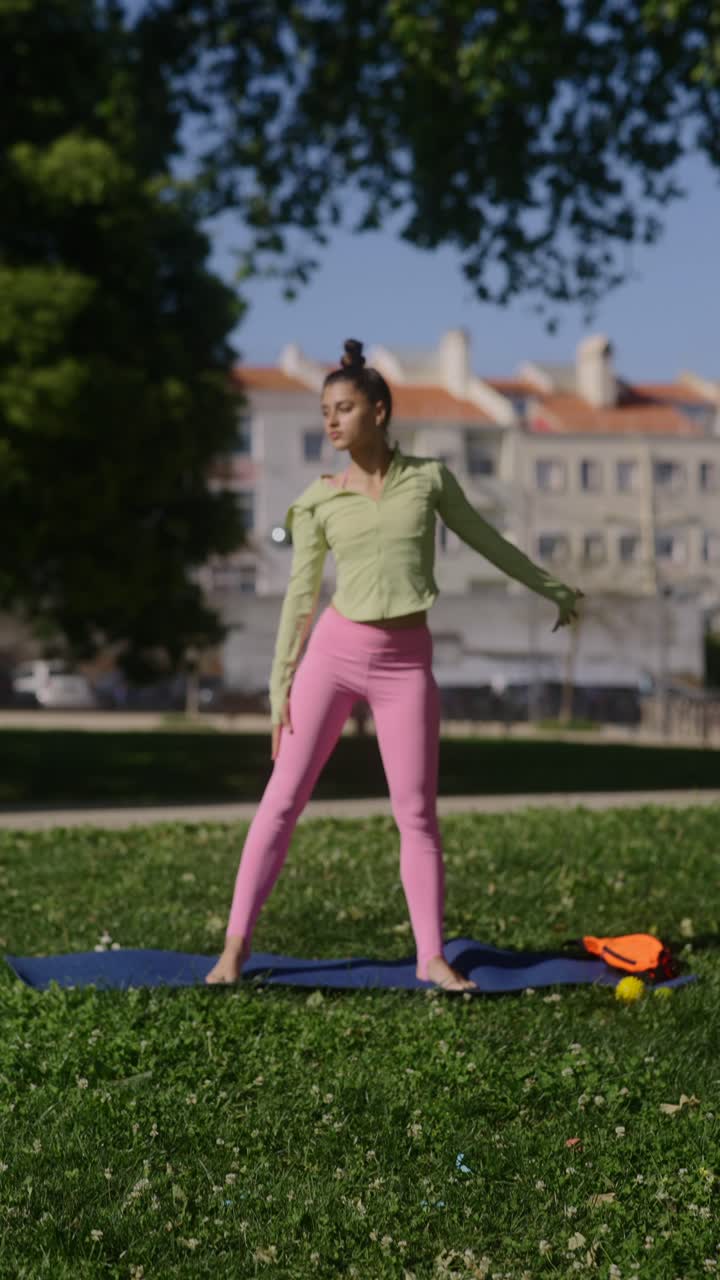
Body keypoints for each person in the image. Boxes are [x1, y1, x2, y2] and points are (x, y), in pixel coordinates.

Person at [206, 338, 583, 991]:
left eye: (343, 408)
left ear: (379, 411)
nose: (331, 421)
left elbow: (487, 542)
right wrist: (279, 689)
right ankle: (234, 951)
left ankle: (432, 956)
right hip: (332, 656)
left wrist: (550, 586)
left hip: (405, 666)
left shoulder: (429, 480)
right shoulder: (320, 498)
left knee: (417, 813)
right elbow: (300, 599)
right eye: (326, 410)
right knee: (281, 801)